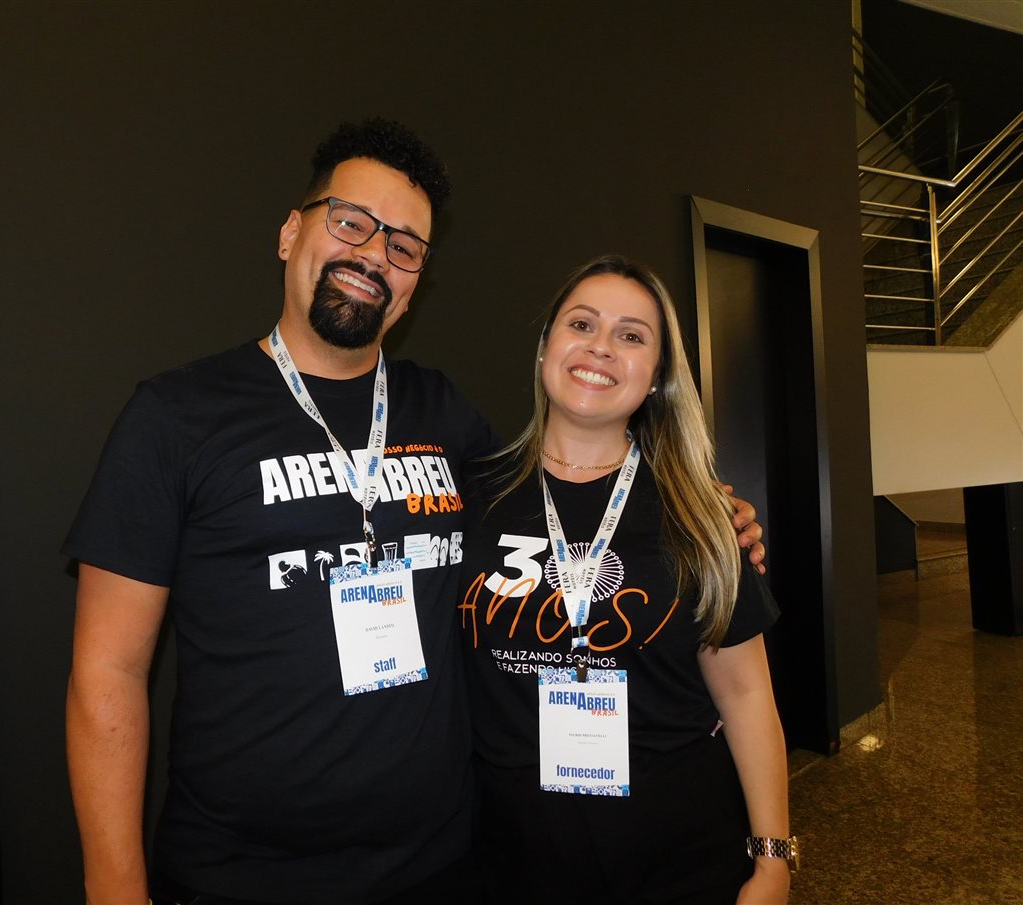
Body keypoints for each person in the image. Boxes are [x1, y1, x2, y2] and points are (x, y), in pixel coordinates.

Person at [63, 120, 767, 905]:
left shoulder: (443, 412)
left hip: (442, 865)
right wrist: (115, 886)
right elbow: (109, 672)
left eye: (404, 246)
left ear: (416, 281)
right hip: (243, 873)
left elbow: (562, 491)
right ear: (291, 231)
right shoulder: (175, 418)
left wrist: (710, 512)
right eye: (351, 221)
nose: (374, 254)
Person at [459, 255, 793, 904]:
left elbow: (747, 696)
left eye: (631, 334)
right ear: (545, 348)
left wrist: (774, 858)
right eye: (581, 323)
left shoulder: (701, 513)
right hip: (509, 861)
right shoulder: (474, 494)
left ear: (658, 377)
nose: (600, 347)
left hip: (681, 859)